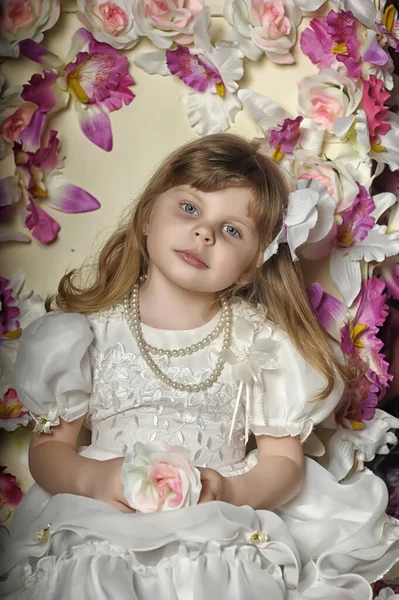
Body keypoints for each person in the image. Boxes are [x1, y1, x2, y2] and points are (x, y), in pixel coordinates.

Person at [1, 134, 398, 600]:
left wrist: (231, 491)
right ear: (147, 216)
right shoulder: (86, 334)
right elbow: (50, 451)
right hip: (103, 517)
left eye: (232, 230)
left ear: (252, 265)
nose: (204, 233)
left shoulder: (265, 343)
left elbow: (283, 462)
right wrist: (93, 479)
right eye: (189, 209)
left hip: (218, 526)